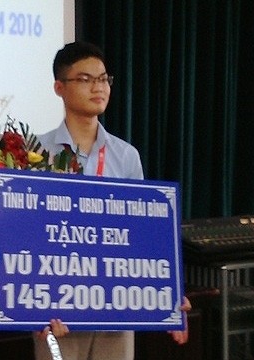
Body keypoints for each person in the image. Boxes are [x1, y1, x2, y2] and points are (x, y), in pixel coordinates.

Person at [33, 41, 191, 360]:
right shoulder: (37, 153)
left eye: (104, 79)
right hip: (56, 309)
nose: (98, 87)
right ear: (59, 87)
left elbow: (144, 232)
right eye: (86, 79)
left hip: (116, 306)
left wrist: (169, 293)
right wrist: (29, 305)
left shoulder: (125, 155)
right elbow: (26, 232)